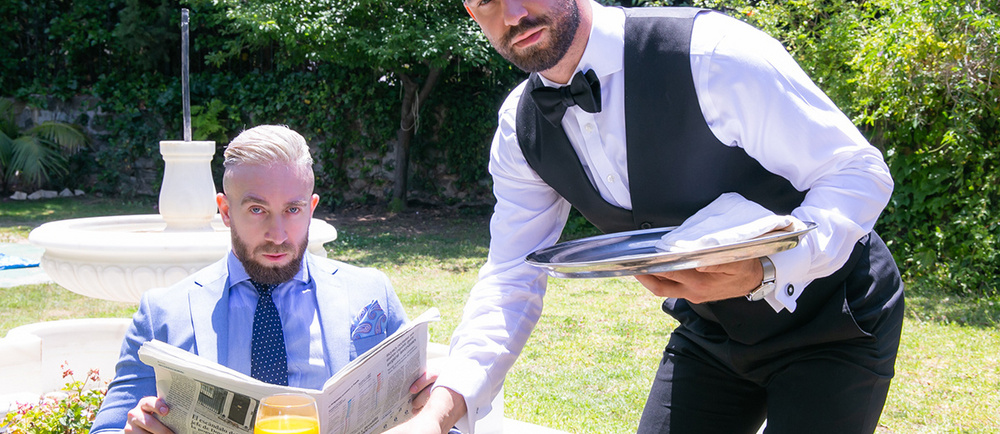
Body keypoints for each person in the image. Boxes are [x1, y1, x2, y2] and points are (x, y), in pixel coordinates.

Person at [388, 1, 904, 433]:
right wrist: (439, 413)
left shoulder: (712, 54)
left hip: (833, 322)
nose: (513, 14)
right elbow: (511, 274)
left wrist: (768, 269)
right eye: (486, 0)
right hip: (711, 332)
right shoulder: (520, 128)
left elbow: (858, 173)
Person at [90, 125, 412, 433]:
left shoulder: (371, 293)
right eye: (257, 209)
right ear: (225, 211)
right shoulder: (162, 314)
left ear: (311, 209)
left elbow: (423, 402)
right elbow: (109, 428)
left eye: (293, 210)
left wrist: (431, 404)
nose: (278, 235)